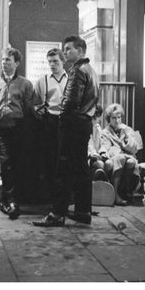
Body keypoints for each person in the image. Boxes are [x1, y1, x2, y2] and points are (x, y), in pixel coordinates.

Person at [34, 35, 99, 227]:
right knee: (81, 169)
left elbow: (70, 102)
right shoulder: (91, 70)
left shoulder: (77, 71)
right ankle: (83, 211)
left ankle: (57, 214)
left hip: (72, 126)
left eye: (69, 49)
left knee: (63, 170)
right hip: (84, 124)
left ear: (80, 51)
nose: (65, 52)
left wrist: (63, 120)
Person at [0, 47, 34, 220]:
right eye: (3, 60)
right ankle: (11, 201)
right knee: (5, 162)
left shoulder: (26, 84)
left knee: (16, 163)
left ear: (17, 63)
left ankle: (7, 199)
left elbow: (28, 108)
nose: (4, 63)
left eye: (8, 60)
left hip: (18, 128)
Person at [33, 48, 68, 200]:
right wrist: (39, 111)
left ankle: (64, 197)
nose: (52, 65)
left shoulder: (70, 79)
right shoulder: (43, 81)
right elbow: (35, 103)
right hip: (49, 122)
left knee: (65, 160)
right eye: (50, 62)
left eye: (56, 61)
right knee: (49, 160)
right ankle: (52, 197)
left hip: (66, 123)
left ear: (63, 61)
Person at [100, 103, 144, 205]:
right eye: (113, 118)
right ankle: (116, 194)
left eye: (119, 117)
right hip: (114, 157)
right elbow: (107, 148)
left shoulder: (127, 130)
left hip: (127, 156)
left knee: (131, 162)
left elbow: (135, 149)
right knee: (121, 159)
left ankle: (126, 191)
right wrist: (120, 151)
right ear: (109, 119)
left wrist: (127, 138)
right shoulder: (105, 132)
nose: (117, 120)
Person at [87, 104, 109, 182]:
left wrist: (103, 152)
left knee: (106, 164)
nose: (95, 120)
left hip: (97, 157)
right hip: (87, 158)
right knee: (99, 165)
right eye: (94, 117)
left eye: (97, 117)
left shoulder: (97, 128)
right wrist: (91, 154)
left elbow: (102, 143)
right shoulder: (83, 127)